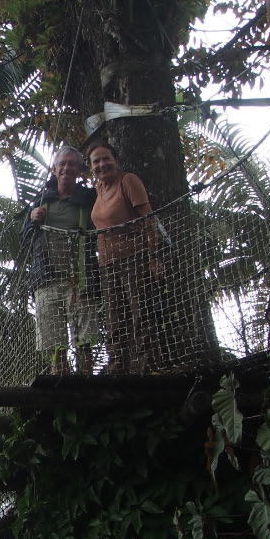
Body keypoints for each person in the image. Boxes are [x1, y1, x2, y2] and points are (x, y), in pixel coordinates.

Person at [87, 141, 165, 374]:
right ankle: (117, 368)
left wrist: (153, 258)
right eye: (96, 161)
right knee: (114, 320)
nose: (102, 165)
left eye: (106, 159)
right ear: (91, 167)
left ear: (116, 161)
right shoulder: (99, 189)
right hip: (108, 264)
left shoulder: (127, 181)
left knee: (140, 313)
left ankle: (147, 368)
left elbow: (149, 221)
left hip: (135, 257)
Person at [20, 145, 99, 374]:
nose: (66, 168)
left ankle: (87, 380)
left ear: (80, 170)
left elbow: (100, 227)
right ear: (54, 169)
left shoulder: (88, 198)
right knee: (55, 343)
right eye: (62, 164)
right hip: (46, 279)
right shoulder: (41, 200)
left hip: (80, 277)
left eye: (72, 164)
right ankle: (59, 383)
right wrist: (33, 220)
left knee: (85, 338)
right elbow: (24, 240)